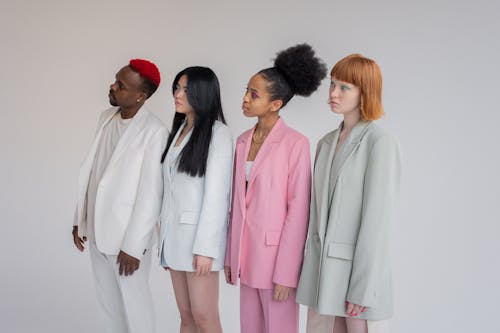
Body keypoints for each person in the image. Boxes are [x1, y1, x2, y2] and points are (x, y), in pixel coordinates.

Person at [224, 44, 327, 333]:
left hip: (275, 262)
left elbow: (298, 211)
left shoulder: (296, 144)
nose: (244, 98)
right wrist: (232, 255)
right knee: (249, 328)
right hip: (245, 257)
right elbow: (237, 203)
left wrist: (287, 273)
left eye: (253, 94)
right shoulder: (243, 140)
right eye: (246, 90)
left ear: (275, 104)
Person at [296, 54, 402, 333]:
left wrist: (363, 286)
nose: (333, 93)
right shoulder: (325, 143)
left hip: (358, 278)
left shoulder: (380, 143)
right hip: (322, 275)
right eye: (332, 84)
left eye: (344, 87)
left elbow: (377, 222)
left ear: (365, 91)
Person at [72, 59, 167, 333]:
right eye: (116, 80)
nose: (112, 87)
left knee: (135, 306)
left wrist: (134, 246)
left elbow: (151, 194)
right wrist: (81, 217)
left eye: (121, 85)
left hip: (126, 241)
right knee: (108, 305)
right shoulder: (106, 118)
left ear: (141, 95)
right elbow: (91, 172)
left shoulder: (154, 132)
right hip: (97, 234)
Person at [159, 66, 233, 333]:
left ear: (203, 93)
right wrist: (163, 244)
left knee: (205, 317)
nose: (178, 94)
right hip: (174, 240)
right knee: (186, 316)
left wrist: (206, 249)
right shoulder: (178, 131)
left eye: (186, 90)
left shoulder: (218, 133)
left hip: (198, 244)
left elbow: (217, 196)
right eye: (177, 88)